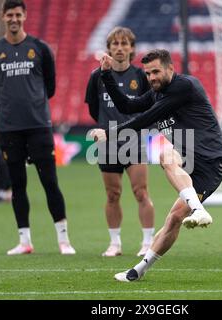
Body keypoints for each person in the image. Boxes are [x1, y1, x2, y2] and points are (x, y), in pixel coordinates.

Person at [90, 49, 222, 282]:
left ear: (170, 69)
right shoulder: (155, 93)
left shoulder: (185, 86)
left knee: (166, 163)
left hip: (209, 162)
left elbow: (144, 119)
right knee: (167, 171)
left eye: (156, 72)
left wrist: (110, 134)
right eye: (147, 73)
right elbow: (126, 106)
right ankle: (138, 271)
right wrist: (106, 75)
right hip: (185, 157)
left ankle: (197, 209)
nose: (151, 77)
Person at [0, 0, 75, 255]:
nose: (14, 19)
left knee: (49, 182)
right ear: (2, 17)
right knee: (18, 184)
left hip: (38, 126)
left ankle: (64, 241)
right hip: (10, 129)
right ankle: (24, 241)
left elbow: (51, 86)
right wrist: (6, 112)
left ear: (25, 16)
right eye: (9, 14)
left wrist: (33, 104)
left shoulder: (40, 48)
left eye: (18, 15)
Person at [85, 27, 155, 257]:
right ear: (109, 48)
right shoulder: (97, 77)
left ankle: (147, 243)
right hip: (107, 143)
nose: (120, 48)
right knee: (112, 195)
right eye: (115, 44)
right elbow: (94, 110)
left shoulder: (140, 77)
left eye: (124, 44)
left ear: (132, 49)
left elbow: (149, 108)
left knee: (140, 192)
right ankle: (115, 244)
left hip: (133, 141)